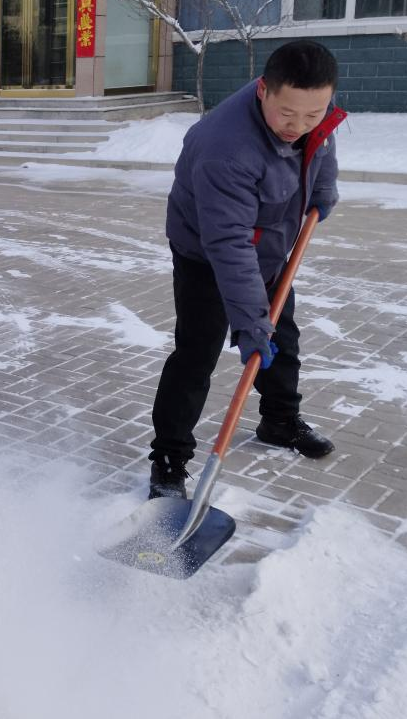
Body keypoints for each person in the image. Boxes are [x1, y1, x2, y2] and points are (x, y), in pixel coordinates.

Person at [147, 40, 347, 499]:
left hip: (270, 245)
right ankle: (169, 460)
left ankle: (280, 421)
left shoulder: (309, 106)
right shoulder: (226, 150)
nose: (298, 126)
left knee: (282, 337)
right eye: (287, 114)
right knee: (196, 354)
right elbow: (228, 244)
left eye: (312, 114)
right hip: (208, 254)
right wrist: (250, 322)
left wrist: (324, 188)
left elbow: (321, 141)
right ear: (263, 90)